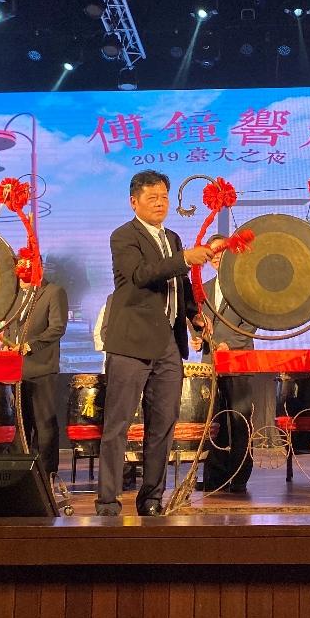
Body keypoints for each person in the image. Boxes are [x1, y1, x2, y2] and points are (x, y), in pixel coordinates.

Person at [96, 170, 213, 516]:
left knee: (163, 425)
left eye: (164, 197)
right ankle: (107, 501)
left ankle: (151, 499)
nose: (160, 203)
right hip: (131, 343)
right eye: (152, 198)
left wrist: (193, 315)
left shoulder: (172, 238)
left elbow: (179, 286)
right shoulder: (123, 236)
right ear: (134, 202)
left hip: (168, 344)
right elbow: (141, 275)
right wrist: (184, 259)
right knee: (117, 425)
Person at [198, 235, 261, 493]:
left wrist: (229, 344)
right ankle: (214, 477)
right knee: (213, 421)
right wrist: (197, 337)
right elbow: (196, 320)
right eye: (212, 253)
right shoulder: (202, 288)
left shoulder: (244, 286)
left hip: (238, 360)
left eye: (221, 252)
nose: (216, 257)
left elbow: (251, 324)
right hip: (210, 362)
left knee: (239, 419)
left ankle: (238, 476)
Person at [8, 278, 68, 479]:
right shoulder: (14, 295)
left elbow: (57, 327)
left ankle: (47, 475)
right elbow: (10, 326)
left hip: (41, 368)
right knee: (20, 426)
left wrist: (30, 346)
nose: (21, 279)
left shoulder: (53, 292)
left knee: (44, 425)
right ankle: (21, 475)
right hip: (16, 371)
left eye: (26, 274)